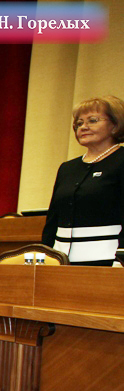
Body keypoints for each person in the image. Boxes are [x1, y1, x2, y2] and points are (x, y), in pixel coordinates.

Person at [41, 95, 124, 266]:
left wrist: (122, 260)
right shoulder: (67, 168)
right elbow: (53, 219)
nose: (83, 127)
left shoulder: (121, 161)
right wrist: (45, 256)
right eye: (79, 123)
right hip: (61, 262)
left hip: (108, 262)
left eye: (92, 120)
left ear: (115, 125)